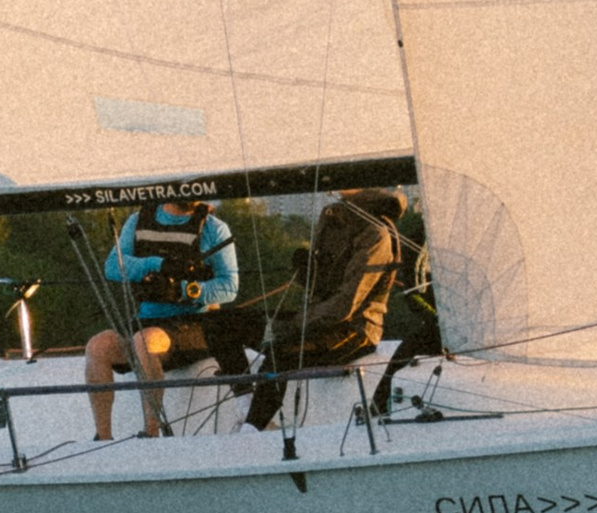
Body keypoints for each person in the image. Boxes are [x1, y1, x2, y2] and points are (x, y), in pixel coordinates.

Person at [244, 185, 407, 429]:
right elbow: (325, 289)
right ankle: (248, 413)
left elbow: (347, 304)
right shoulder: (334, 218)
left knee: (280, 355)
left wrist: (292, 325)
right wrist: (309, 275)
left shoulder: (375, 233)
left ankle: (250, 431)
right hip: (321, 320)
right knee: (233, 326)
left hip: (356, 331)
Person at [85, 194, 238, 441]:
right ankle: (103, 438)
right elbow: (113, 267)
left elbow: (230, 286)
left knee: (144, 342)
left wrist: (184, 290)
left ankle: (151, 433)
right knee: (98, 346)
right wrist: (158, 265)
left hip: (195, 323)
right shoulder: (138, 221)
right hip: (148, 319)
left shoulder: (214, 228)